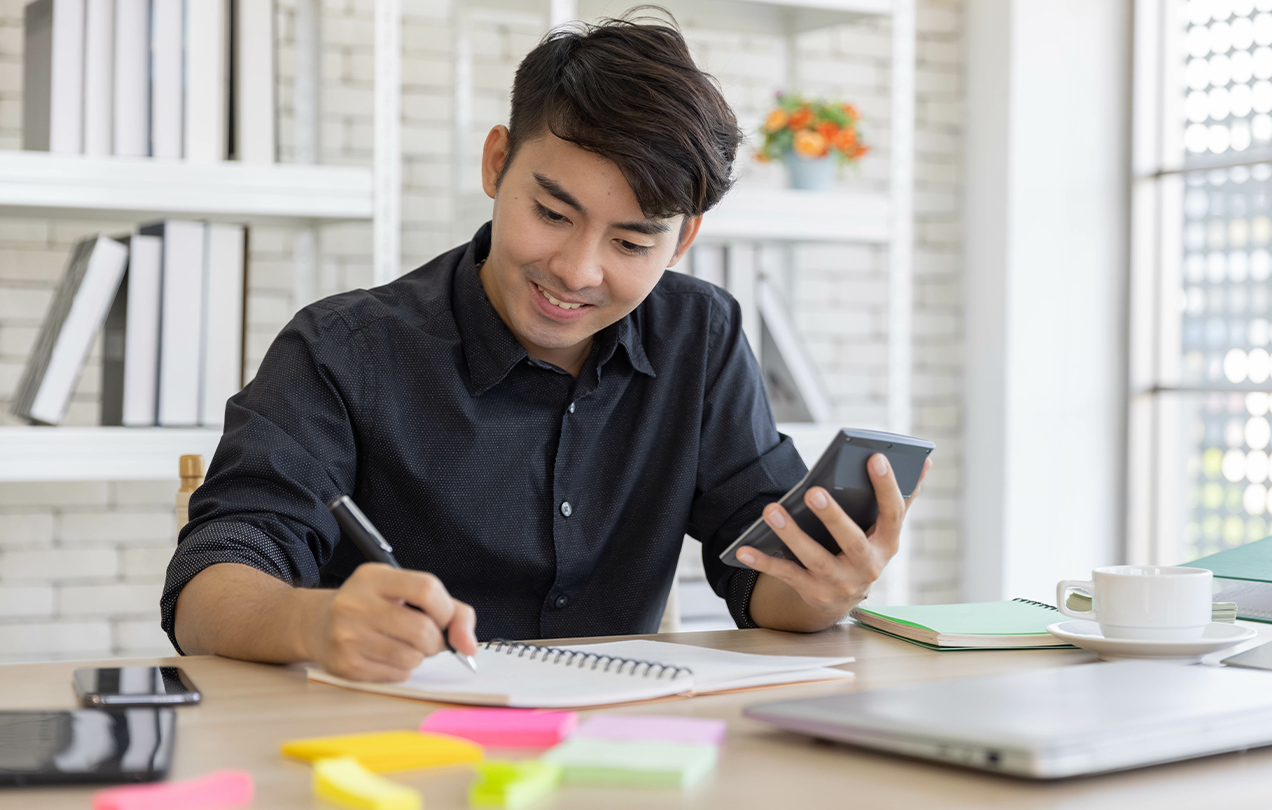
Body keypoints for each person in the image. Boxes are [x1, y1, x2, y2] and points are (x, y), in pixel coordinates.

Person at [163, 12, 930, 683]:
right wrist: (313, 622)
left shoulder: (701, 335)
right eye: (553, 213)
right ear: (498, 163)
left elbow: (763, 577)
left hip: (612, 755)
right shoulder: (343, 349)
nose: (577, 271)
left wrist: (824, 587)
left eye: (631, 241)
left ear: (683, 238)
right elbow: (210, 583)